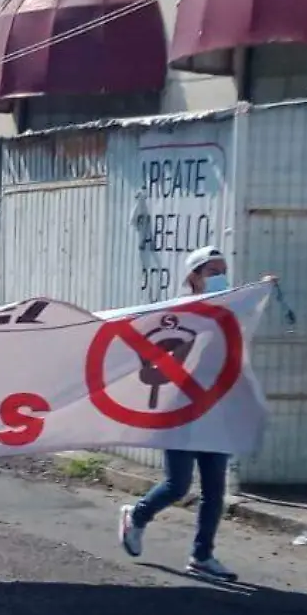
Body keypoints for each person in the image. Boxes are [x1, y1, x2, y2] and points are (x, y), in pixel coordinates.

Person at [116, 246, 270, 582]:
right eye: (212, 272)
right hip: (182, 408)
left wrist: (262, 288)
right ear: (194, 277)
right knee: (178, 483)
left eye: (223, 270)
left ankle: (202, 556)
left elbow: (246, 316)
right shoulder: (180, 312)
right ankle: (137, 516)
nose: (220, 277)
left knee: (215, 489)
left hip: (216, 408)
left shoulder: (228, 312)